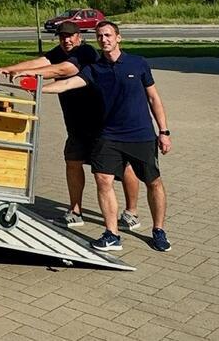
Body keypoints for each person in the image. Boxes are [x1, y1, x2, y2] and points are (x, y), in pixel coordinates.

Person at [0, 21, 141, 230]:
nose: (66, 40)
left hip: (102, 124)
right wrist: (4, 70)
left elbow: (63, 70)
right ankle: (75, 212)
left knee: (123, 167)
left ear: (79, 37)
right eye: (62, 36)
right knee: (73, 162)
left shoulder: (85, 52)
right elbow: (40, 61)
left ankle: (131, 212)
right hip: (76, 124)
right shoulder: (59, 52)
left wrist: (31, 75)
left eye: (70, 36)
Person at [44, 20, 172, 253]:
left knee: (153, 182)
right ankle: (112, 234)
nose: (104, 39)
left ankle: (159, 230)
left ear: (118, 37)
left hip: (141, 135)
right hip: (108, 136)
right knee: (103, 179)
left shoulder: (138, 63)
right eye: (100, 36)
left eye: (108, 35)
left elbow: (154, 98)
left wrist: (163, 132)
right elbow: (67, 83)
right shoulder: (95, 68)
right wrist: (35, 87)